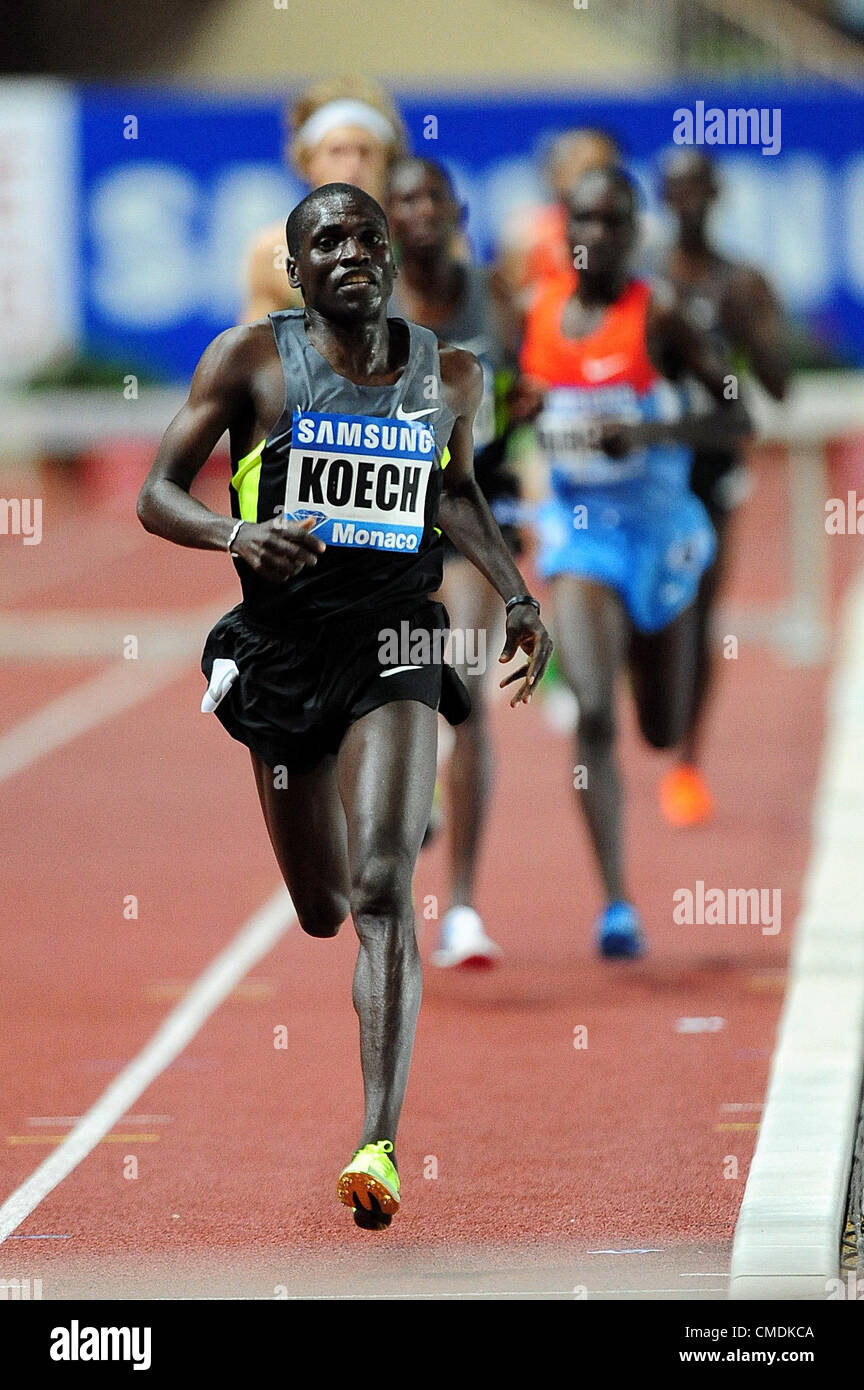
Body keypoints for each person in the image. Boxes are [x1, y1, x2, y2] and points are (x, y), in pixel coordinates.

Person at [137, 183, 552, 1229]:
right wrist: (238, 537)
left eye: (369, 235)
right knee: (321, 909)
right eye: (330, 239)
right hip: (280, 654)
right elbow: (157, 492)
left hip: (396, 639)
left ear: (390, 258)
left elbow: (455, 490)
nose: (354, 250)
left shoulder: (448, 370)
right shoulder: (250, 360)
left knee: (379, 887)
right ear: (297, 267)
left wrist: (513, 592)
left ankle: (378, 1142)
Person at [520, 167, 749, 959]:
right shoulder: (538, 315)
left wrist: (646, 437)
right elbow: (512, 407)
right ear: (567, 230)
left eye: (616, 222)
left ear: (634, 232)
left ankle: (666, 723)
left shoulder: (665, 316)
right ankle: (616, 903)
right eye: (585, 221)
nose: (598, 237)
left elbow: (737, 415)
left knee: (660, 727)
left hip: (661, 539)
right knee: (590, 709)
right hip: (583, 537)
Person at [386, 156, 527, 969]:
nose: (422, 210)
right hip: (393, 516)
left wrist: (525, 412)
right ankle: (411, 798)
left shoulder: (497, 297)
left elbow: (527, 393)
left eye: (434, 196)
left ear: (458, 209)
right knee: (397, 681)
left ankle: (464, 905)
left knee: (463, 679)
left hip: (475, 507)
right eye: (404, 199)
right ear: (388, 221)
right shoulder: (374, 306)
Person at [657, 149, 789, 826]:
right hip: (643, 469)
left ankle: (687, 761)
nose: (687, 204)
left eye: (697, 192)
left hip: (709, 466)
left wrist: (749, 328)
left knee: (699, 614)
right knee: (644, 610)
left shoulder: (742, 281)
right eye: (674, 192)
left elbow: (778, 386)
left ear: (716, 197)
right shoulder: (640, 278)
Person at [242, 77, 407, 321]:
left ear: (388, 163)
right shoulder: (273, 251)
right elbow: (257, 349)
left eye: (365, 151)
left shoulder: (424, 242)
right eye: (337, 151)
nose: (353, 165)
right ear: (308, 162)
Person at [497, 127, 621, 313]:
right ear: (558, 174)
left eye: (604, 169)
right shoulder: (525, 235)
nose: (596, 181)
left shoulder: (641, 237)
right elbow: (507, 307)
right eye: (586, 170)